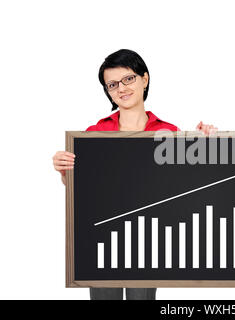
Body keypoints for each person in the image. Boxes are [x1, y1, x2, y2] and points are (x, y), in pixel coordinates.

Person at [52, 49, 215, 300]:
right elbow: (82, 188)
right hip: (102, 241)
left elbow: (184, 188)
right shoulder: (94, 133)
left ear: (144, 79)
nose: (121, 89)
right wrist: (65, 171)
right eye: (112, 84)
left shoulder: (168, 132)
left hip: (148, 240)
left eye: (128, 79)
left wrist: (201, 146)